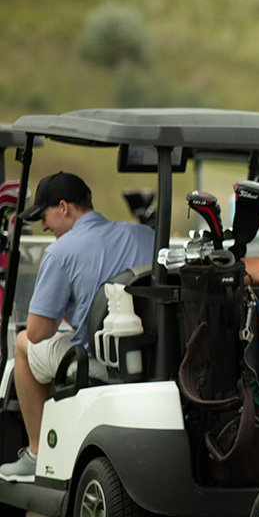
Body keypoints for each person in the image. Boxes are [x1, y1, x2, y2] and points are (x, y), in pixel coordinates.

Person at [0, 172, 154, 482]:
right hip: (150, 353)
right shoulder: (145, 235)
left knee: (20, 343)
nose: (43, 227)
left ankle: (36, 454)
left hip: (98, 361)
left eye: (44, 217)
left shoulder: (61, 250)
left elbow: (37, 332)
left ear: (64, 207)